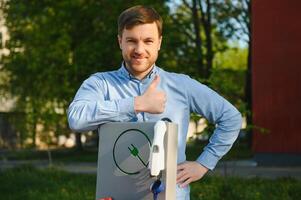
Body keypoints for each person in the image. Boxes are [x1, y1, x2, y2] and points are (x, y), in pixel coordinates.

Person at [68, 5, 242, 199]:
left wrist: (203, 164)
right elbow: (76, 118)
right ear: (120, 41)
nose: (139, 49)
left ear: (159, 42)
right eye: (131, 41)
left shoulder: (182, 85)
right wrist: (136, 104)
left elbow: (231, 117)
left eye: (148, 41)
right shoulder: (100, 84)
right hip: (117, 195)